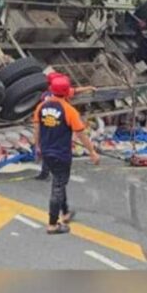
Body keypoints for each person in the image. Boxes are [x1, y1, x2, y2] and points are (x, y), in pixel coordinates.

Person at [33, 74, 100, 234]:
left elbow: (37, 129)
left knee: (59, 182)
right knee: (58, 186)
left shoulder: (41, 107)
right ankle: (52, 224)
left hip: (47, 151)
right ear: (66, 92)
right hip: (61, 153)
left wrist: (37, 147)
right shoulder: (70, 111)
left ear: (52, 89)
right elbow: (82, 134)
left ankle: (66, 212)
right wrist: (92, 152)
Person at [35, 72, 97, 181]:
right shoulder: (67, 102)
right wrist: (89, 87)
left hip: (48, 126)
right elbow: (75, 90)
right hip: (61, 124)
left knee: (47, 148)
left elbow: (38, 122)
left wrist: (37, 144)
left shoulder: (44, 97)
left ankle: (45, 172)